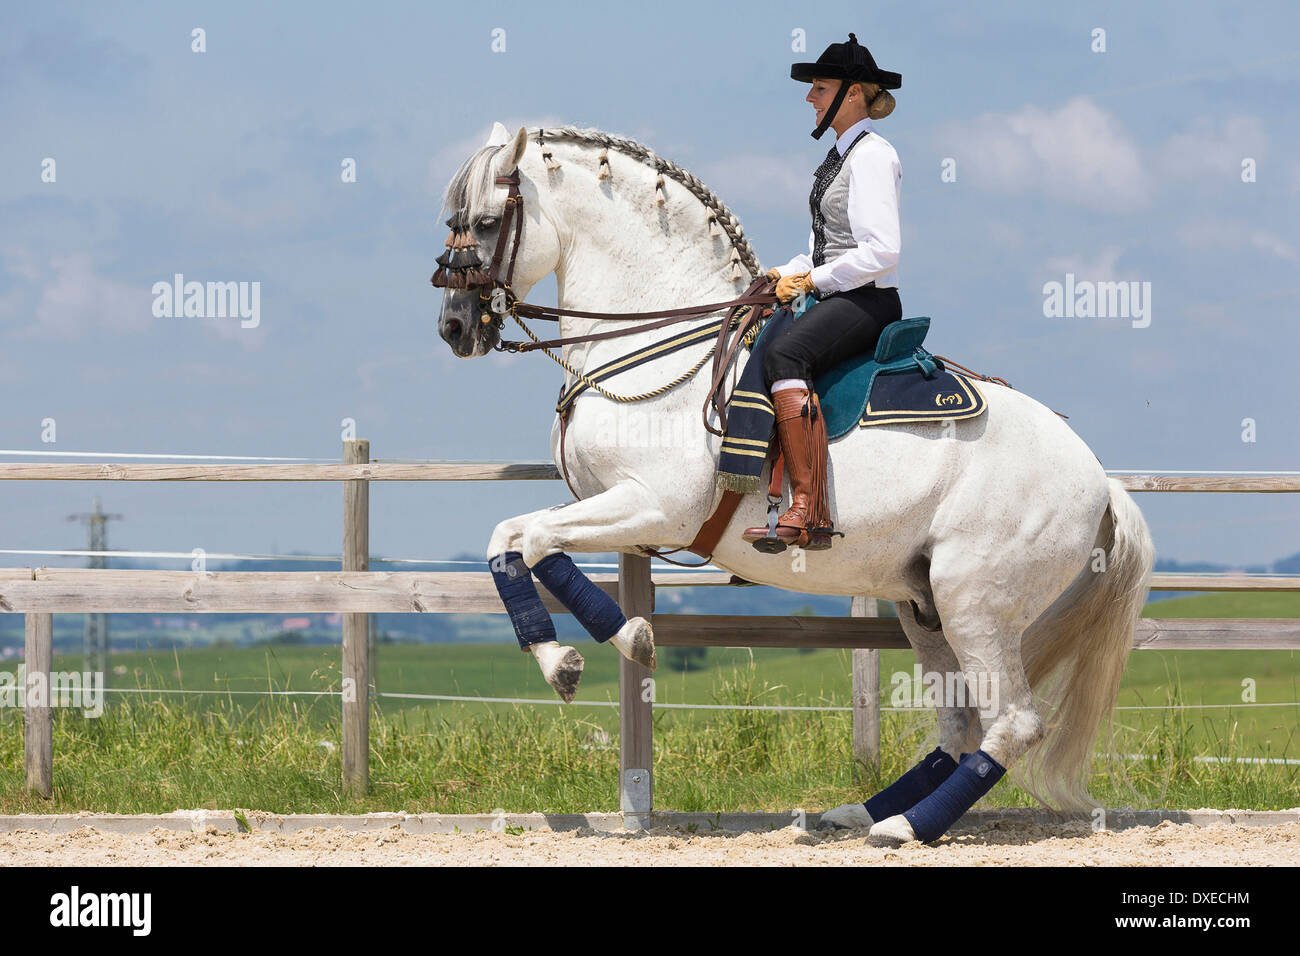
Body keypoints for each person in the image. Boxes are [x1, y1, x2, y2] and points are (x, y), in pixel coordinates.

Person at [741, 32, 904, 551]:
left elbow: (882, 251)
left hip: (866, 301)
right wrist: (781, 274)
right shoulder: (838, 157)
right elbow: (822, 247)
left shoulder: (873, 156)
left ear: (852, 94)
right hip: (837, 292)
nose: (809, 97)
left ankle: (810, 507)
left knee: (787, 354)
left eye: (819, 86)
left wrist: (812, 281)